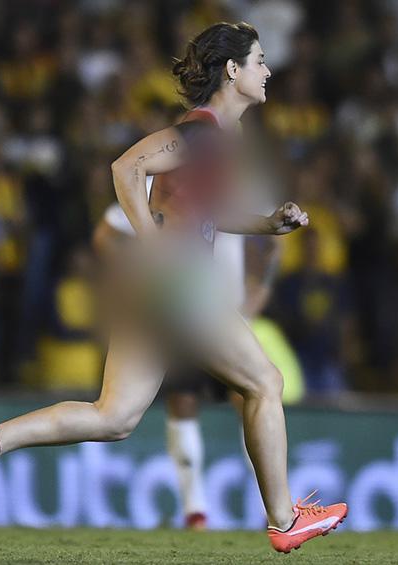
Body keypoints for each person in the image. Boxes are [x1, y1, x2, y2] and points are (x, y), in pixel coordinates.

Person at [0, 22, 346, 553]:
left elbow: (210, 211)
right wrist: (154, 246)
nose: (268, 71)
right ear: (233, 70)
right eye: (260, 60)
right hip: (177, 276)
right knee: (265, 382)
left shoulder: (224, 137)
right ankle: (284, 517)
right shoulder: (202, 131)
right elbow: (127, 166)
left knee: (115, 417)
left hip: (155, 283)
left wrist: (270, 223)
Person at [93, 173, 280, 530]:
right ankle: (196, 510)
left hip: (228, 317)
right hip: (181, 309)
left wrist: (259, 292)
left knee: (251, 399)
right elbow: (106, 234)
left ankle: (267, 508)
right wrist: (133, 277)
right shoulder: (163, 183)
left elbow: (272, 243)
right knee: (184, 401)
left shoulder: (244, 185)